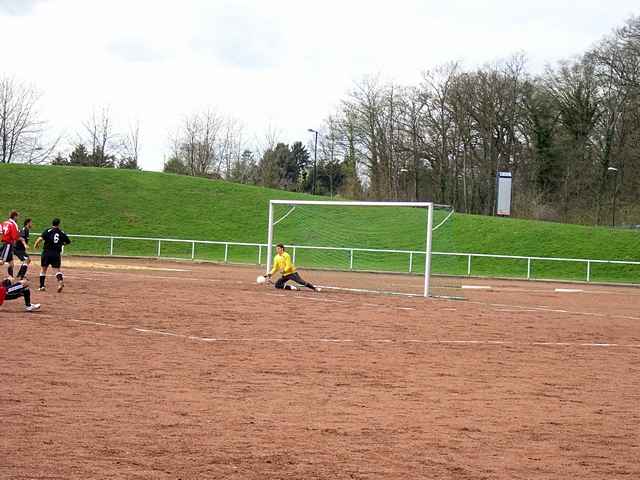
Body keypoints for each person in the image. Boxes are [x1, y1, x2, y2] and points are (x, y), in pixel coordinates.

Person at [33, 218, 71, 292]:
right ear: (59, 224)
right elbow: (68, 241)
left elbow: (40, 239)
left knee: (43, 270)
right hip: (56, 253)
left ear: (52, 224)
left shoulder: (48, 231)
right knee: (57, 270)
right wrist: (61, 244)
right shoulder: (61, 232)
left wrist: (36, 245)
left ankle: (42, 286)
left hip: (46, 252)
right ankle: (60, 282)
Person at [0, 210, 20, 278]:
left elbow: (1, 232)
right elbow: (15, 236)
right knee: (2, 262)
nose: (18, 218)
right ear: (14, 216)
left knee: (11, 263)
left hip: (5, 243)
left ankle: (10, 277)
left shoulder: (5, 222)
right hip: (8, 244)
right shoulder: (13, 224)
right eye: (17, 216)